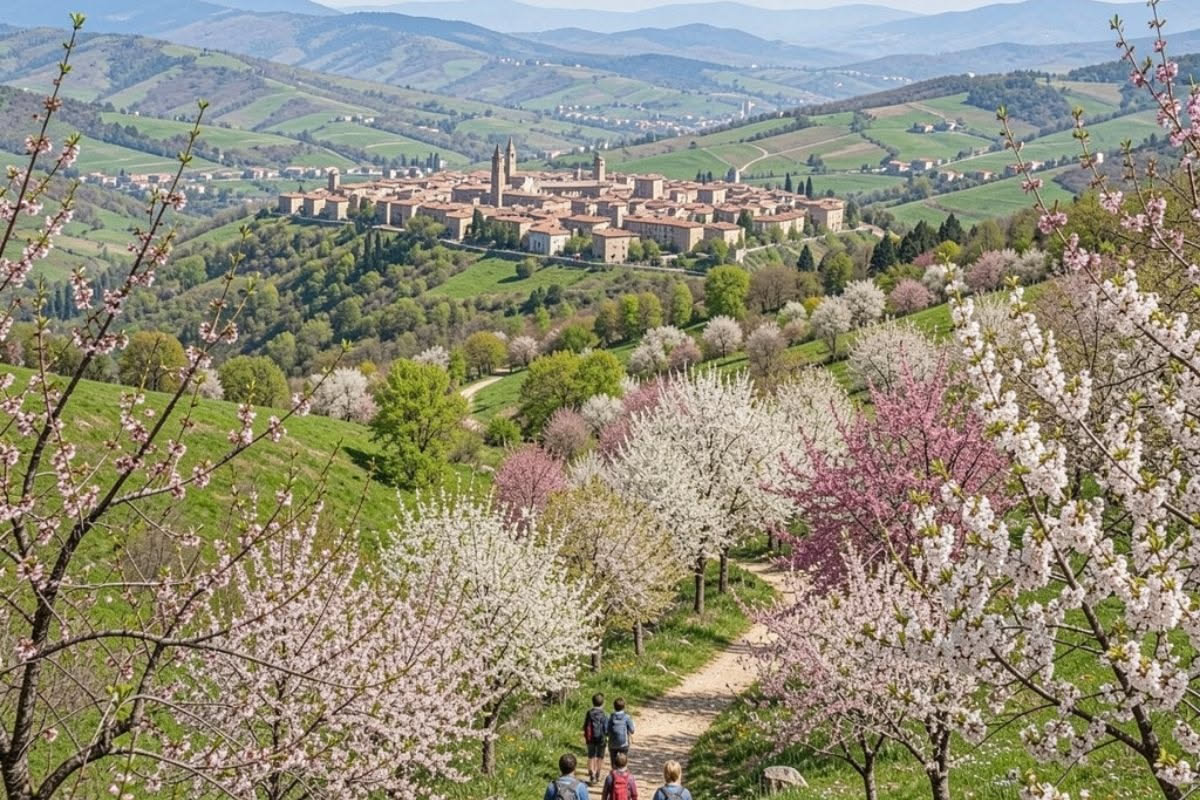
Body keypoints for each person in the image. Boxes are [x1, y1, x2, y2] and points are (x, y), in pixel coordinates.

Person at [583, 692, 609, 784]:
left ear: (592, 702)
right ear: (603, 703)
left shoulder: (589, 713)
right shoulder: (604, 714)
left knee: (591, 756)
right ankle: (598, 773)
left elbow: (585, 726)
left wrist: (585, 735)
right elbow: (606, 728)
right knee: (600, 757)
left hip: (590, 739)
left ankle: (591, 774)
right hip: (601, 738)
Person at [607, 697, 635, 764]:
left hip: (612, 743)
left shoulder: (611, 717)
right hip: (623, 744)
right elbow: (632, 730)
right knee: (623, 759)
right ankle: (623, 769)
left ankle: (614, 770)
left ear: (614, 707)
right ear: (624, 707)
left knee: (613, 760)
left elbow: (607, 730)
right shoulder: (627, 717)